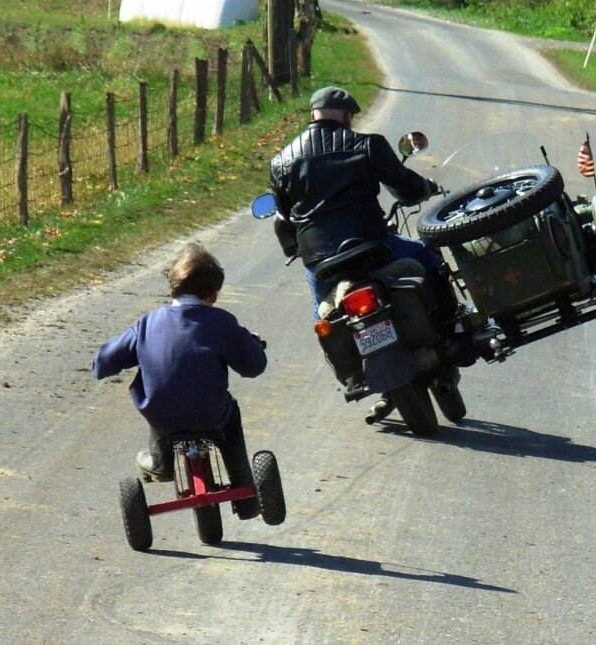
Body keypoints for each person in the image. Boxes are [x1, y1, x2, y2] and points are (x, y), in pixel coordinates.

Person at [92, 243, 267, 518]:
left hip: (162, 416)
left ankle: (161, 462)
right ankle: (245, 492)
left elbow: (104, 362)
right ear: (212, 292)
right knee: (230, 417)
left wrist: (99, 365)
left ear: (173, 286)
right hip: (211, 414)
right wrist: (254, 347)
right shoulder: (220, 322)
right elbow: (254, 366)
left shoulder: (147, 324)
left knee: (161, 398)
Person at [268, 85, 449, 313]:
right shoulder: (367, 145)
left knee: (326, 315)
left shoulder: (280, 163)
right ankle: (453, 328)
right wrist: (426, 188)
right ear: (346, 116)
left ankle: (332, 346)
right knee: (425, 253)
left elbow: (284, 218)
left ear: (312, 115)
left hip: (322, 262)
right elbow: (406, 187)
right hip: (373, 248)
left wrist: (297, 247)